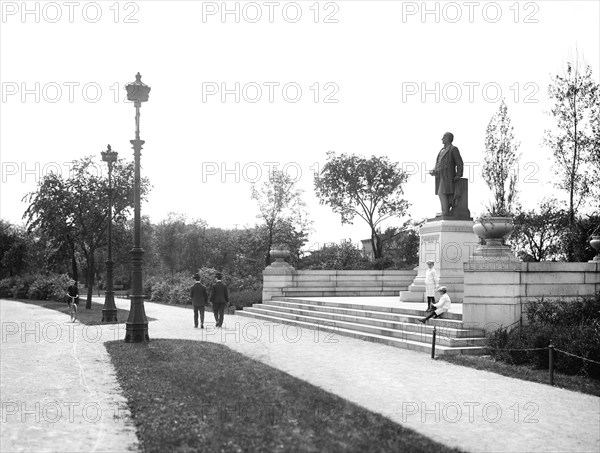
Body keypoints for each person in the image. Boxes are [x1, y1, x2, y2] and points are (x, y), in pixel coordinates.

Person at [429, 132, 464, 216]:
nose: (442, 139)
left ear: (448, 138)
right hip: (440, 175)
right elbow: (438, 163)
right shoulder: (441, 150)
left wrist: (459, 175)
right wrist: (434, 170)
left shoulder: (453, 149)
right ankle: (445, 210)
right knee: (441, 193)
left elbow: (459, 163)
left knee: (442, 192)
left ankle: (445, 212)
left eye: (444, 137)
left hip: (448, 175)